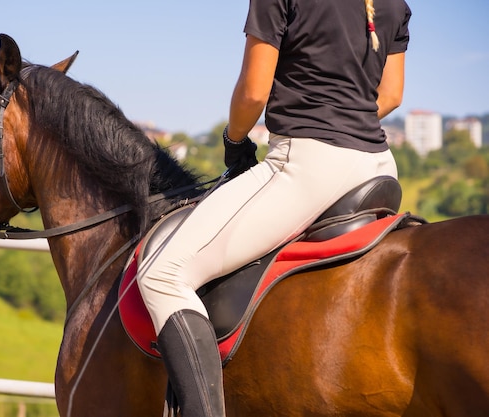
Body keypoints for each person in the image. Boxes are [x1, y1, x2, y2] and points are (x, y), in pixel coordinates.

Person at [137, 0, 412, 416]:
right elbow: (390, 94)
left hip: (309, 164)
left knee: (161, 274)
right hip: (377, 165)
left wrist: (234, 140)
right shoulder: (394, 3)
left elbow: (253, 91)